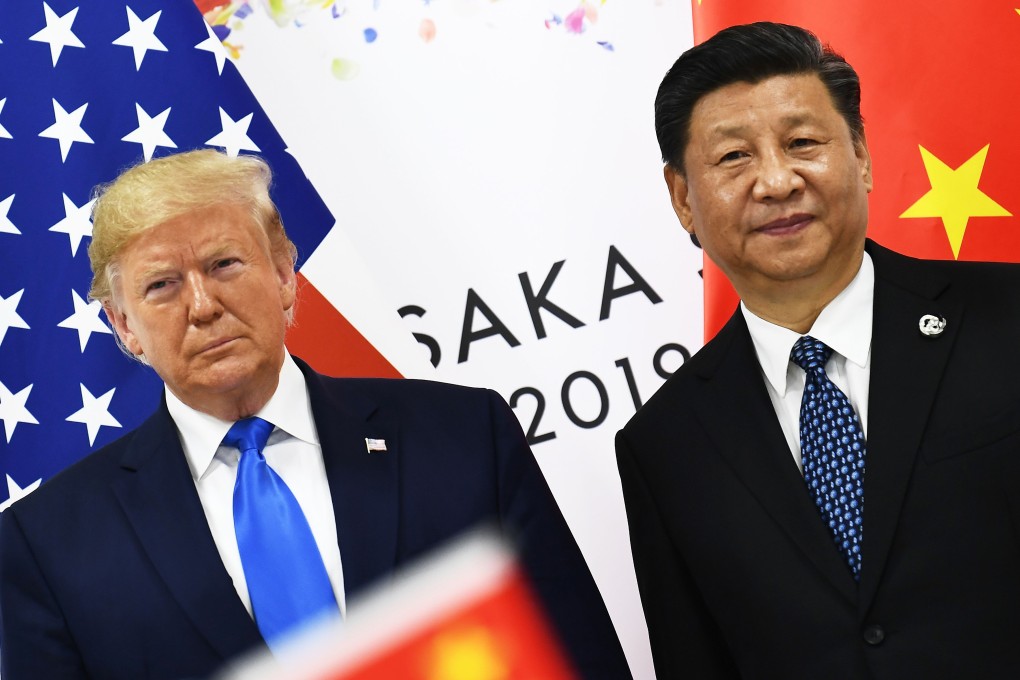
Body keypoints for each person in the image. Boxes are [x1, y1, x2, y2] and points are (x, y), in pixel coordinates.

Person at [0, 149, 630, 680]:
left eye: (224, 264)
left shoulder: (465, 438)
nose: (202, 305)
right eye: (161, 285)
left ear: (283, 275)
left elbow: (581, 658)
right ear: (124, 327)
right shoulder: (48, 545)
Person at [617, 21, 1020, 680]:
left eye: (802, 142)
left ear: (860, 156)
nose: (776, 182)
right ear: (683, 199)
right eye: (733, 157)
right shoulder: (663, 445)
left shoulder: (1006, 319)